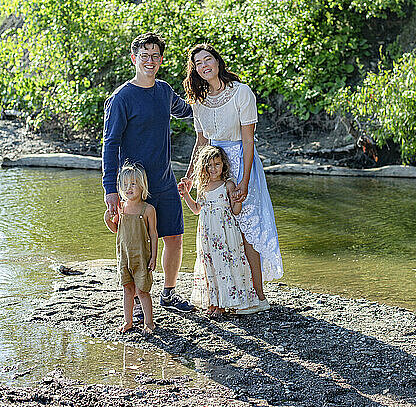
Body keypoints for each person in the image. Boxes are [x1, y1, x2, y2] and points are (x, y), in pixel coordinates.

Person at [180, 44, 283, 314]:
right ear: (195, 70)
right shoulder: (198, 101)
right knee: (221, 232)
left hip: (240, 163)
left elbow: (249, 140)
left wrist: (245, 181)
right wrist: (191, 177)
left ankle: (259, 296)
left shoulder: (241, 92)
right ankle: (231, 295)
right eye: (198, 63)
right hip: (212, 167)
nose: (204, 65)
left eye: (208, 59)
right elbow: (201, 141)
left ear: (217, 62)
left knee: (248, 231)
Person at [102, 32, 194, 321]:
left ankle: (168, 292)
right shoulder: (121, 98)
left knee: (175, 237)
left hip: (165, 179)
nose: (150, 61)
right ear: (134, 59)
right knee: (137, 243)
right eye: (145, 56)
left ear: (161, 59)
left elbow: (190, 111)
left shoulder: (165, 91)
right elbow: (110, 143)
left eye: (155, 56)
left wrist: (219, 98)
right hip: (133, 185)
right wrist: (110, 188)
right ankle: (141, 301)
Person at [179, 145, 258, 317]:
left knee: (224, 263)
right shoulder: (203, 185)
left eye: (217, 164)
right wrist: (186, 195)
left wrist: (239, 200)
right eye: (210, 165)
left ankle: (224, 303)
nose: (213, 168)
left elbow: (235, 210)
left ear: (223, 165)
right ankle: (213, 301)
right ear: (204, 167)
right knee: (210, 265)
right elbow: (196, 209)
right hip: (207, 232)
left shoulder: (227, 184)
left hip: (224, 231)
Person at [104, 163, 158, 333]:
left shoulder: (148, 209)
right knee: (127, 289)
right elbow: (116, 230)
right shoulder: (121, 208)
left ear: (142, 186)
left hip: (142, 257)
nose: (129, 188)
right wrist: (107, 219)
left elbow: (154, 234)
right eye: (125, 184)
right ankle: (128, 321)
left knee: (142, 291)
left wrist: (154, 257)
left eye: (133, 184)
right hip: (124, 256)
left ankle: (149, 322)